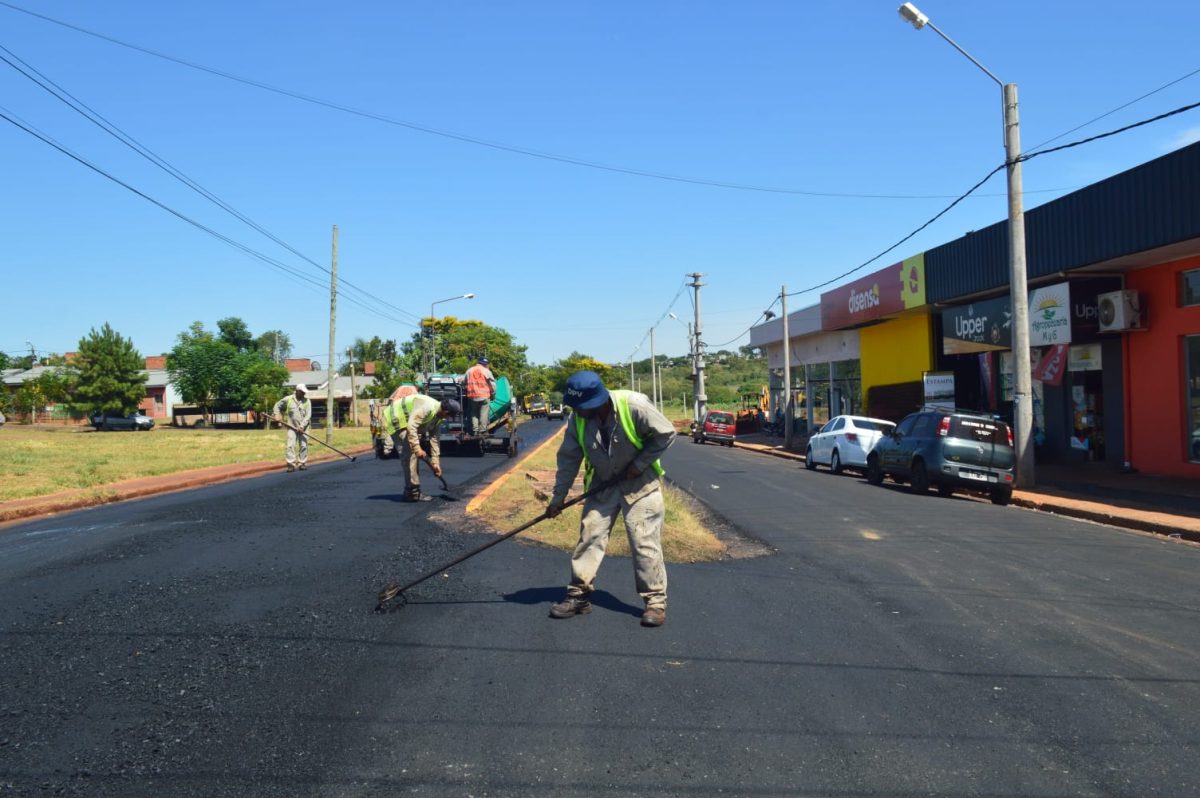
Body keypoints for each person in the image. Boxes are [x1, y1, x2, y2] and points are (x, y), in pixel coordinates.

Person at [545, 370, 676, 627]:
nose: (579, 411)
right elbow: (569, 459)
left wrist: (639, 464)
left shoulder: (634, 405)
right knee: (590, 536)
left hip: (641, 485)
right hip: (603, 485)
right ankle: (578, 596)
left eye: (582, 406)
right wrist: (558, 498)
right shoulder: (578, 420)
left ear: (599, 400)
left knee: (644, 542)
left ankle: (655, 603)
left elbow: (667, 433)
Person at [383, 393, 460, 502]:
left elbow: (435, 440)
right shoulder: (427, 407)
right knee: (410, 455)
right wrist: (417, 448)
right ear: (446, 412)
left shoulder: (439, 417)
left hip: (408, 421)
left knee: (413, 452)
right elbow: (411, 427)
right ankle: (412, 493)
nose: (448, 419)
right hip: (396, 418)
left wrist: (435, 463)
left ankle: (412, 491)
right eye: (449, 416)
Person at [273, 384, 312, 472]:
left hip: (304, 428)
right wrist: (277, 414)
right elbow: (277, 405)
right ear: (297, 391)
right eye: (302, 392)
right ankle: (291, 464)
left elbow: (308, 415)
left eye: (304, 392)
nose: (303, 394)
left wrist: (302, 426)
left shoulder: (307, 401)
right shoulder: (288, 399)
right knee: (290, 446)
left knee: (303, 445)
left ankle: (302, 463)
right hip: (291, 426)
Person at [464, 356, 496, 436]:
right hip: (484, 396)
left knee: (473, 413)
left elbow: (464, 382)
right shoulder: (486, 371)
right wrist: (493, 394)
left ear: (478, 362)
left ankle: (475, 431)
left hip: (472, 396)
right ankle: (482, 431)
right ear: (485, 364)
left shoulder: (469, 371)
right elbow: (493, 384)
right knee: (484, 413)